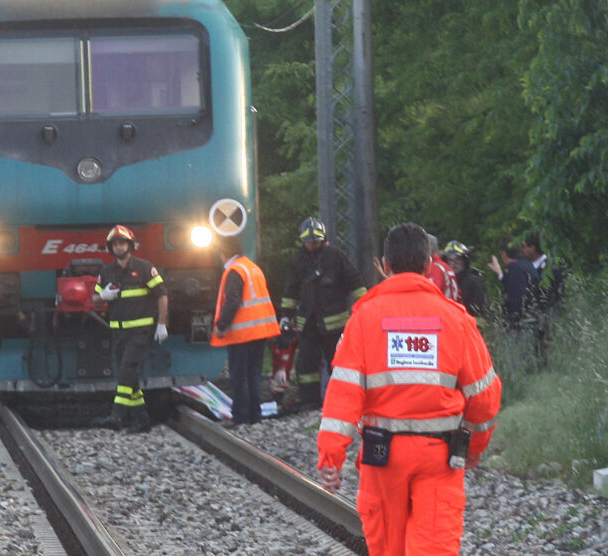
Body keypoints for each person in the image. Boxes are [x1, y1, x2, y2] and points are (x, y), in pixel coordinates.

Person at [316, 223, 502, 556]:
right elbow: (484, 397)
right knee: (434, 547)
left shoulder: (363, 319)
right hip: (440, 456)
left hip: (381, 456)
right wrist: (474, 446)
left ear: (385, 265)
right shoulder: (455, 320)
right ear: (429, 264)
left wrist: (332, 457)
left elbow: (343, 394)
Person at [279, 216, 366, 411]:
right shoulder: (298, 260)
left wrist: (364, 310)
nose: (311, 245)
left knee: (340, 363)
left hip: (334, 324)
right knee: (306, 366)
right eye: (308, 242)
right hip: (308, 324)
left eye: (315, 241)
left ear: (322, 239)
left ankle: (344, 401)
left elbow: (356, 282)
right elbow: (290, 291)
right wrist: (285, 317)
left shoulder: (336, 257)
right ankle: (310, 401)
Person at [91, 225, 169, 433]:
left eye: (122, 243)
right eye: (115, 244)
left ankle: (117, 415)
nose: (119, 247)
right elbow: (94, 299)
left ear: (130, 245)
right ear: (111, 248)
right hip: (118, 332)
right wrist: (103, 297)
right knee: (129, 376)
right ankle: (142, 419)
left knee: (126, 370)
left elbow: (162, 294)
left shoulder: (145, 268)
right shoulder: (106, 272)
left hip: (140, 332)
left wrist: (161, 324)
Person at [212, 234, 281, 426]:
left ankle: (240, 416)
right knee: (253, 374)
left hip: (243, 332)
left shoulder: (234, 271)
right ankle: (254, 416)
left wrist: (221, 325)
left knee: (239, 376)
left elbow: (233, 300)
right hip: (259, 331)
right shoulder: (252, 267)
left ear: (224, 252)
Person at [487, 243, 537, 330]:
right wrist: (500, 274)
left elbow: (515, 294)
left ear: (504, 253)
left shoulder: (514, 267)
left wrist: (510, 318)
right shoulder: (527, 264)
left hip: (519, 322)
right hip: (532, 315)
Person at [441, 240, 489, 321]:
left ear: (465, 261)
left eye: (458, 260)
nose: (453, 264)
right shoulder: (444, 281)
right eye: (450, 260)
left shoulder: (473, 282)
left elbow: (481, 313)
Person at [425, 234, 460, 302]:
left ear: (431, 251)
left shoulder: (434, 268)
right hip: (452, 307)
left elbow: (430, 295)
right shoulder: (444, 266)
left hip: (441, 308)